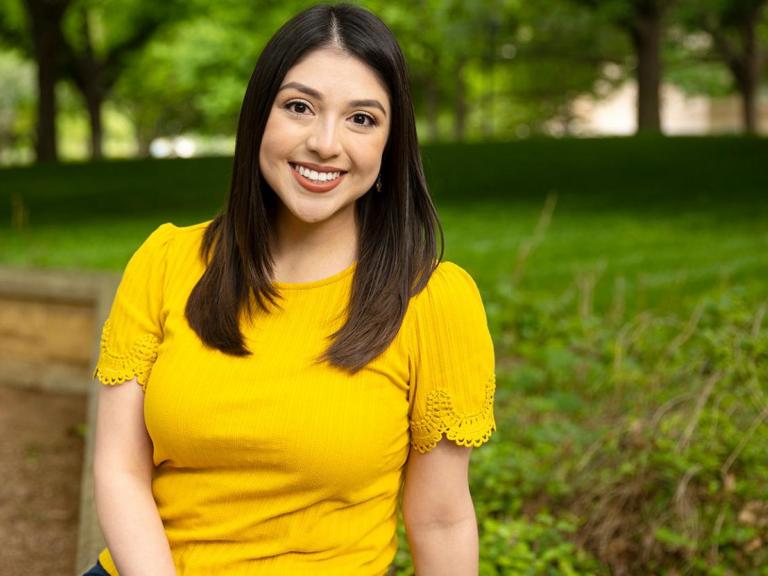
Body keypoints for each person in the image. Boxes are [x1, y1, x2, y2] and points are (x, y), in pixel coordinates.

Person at [81, 3, 496, 575]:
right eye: (299, 107)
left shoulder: (433, 301)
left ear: (389, 145)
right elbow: (120, 470)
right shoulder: (166, 262)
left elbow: (442, 519)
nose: (325, 143)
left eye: (362, 119)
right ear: (259, 118)